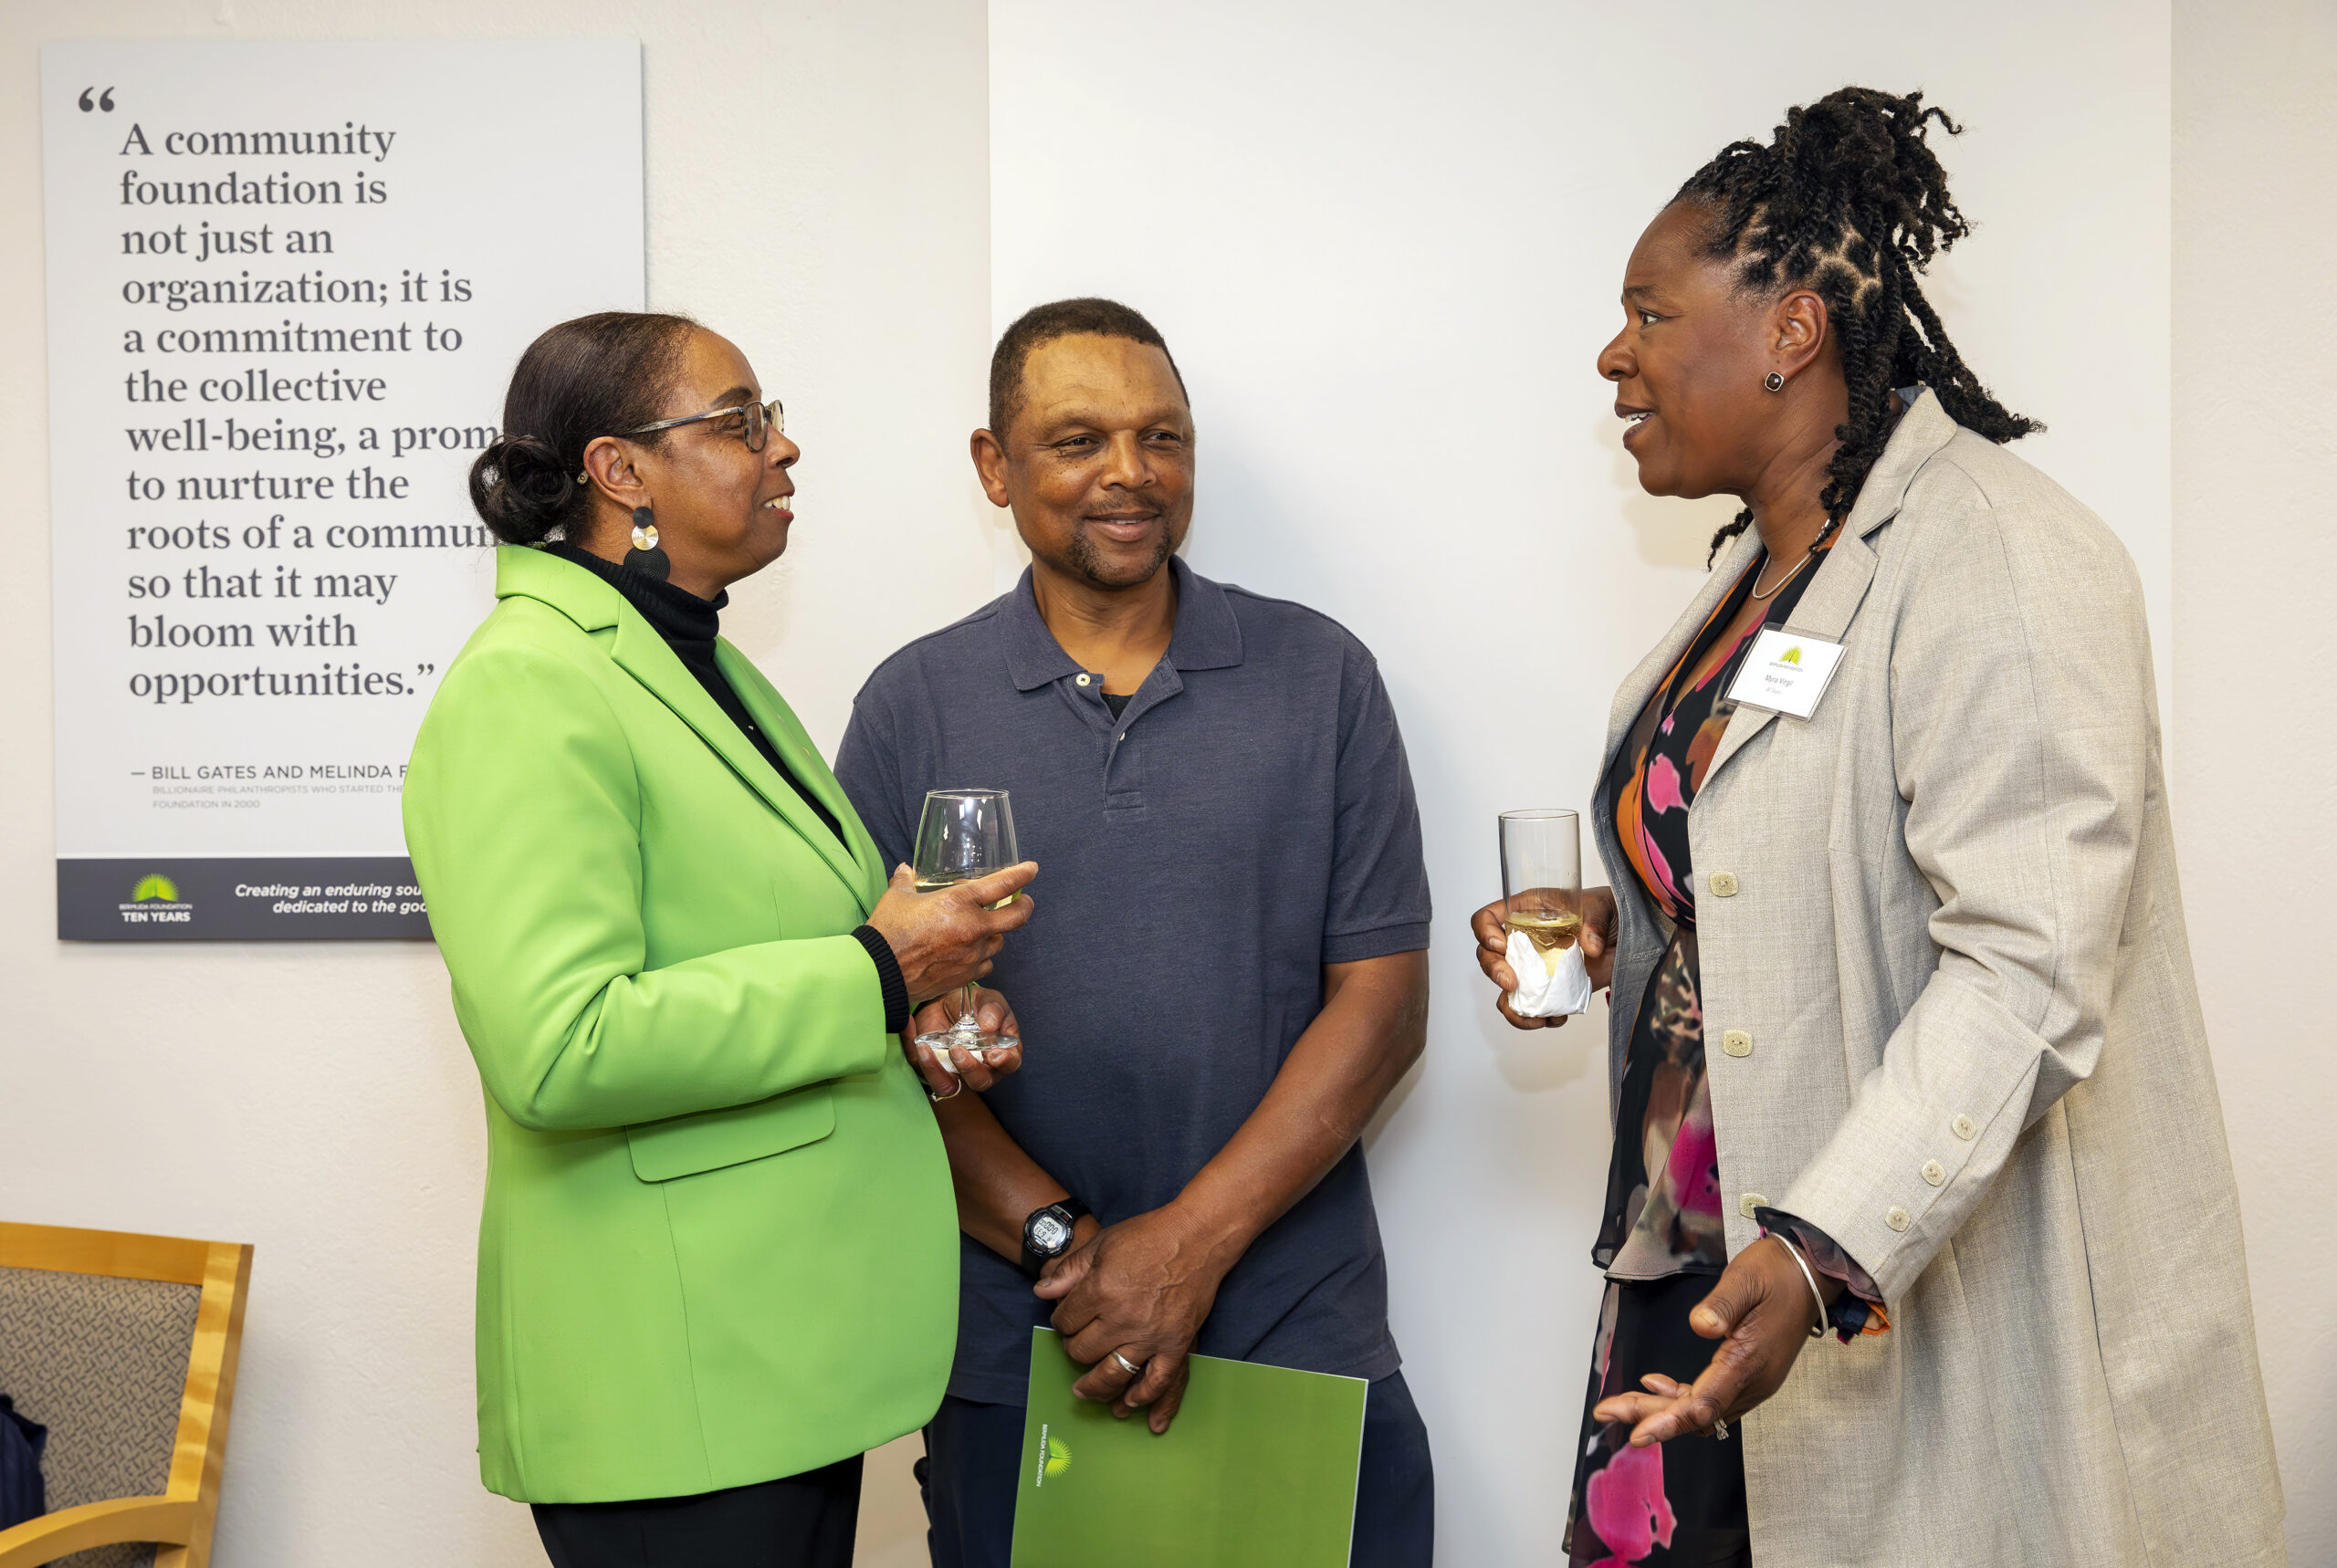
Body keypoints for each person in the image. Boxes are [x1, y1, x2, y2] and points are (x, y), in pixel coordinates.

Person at [1472, 89, 2286, 1566]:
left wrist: (1819, 1244)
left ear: (1790, 332)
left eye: (1649, 315)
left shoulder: (1999, 557)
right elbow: (1774, 853)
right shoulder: (1759, 581)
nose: (1613, 354)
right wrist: (1625, 923)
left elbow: (2026, 967)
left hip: (1866, 1274)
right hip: (1698, 1267)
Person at [403, 311, 1038, 1568]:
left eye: (771, 416)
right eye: (741, 422)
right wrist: (875, 973)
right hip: (670, 1390)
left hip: (776, 1366)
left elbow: (763, 953)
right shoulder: (529, 682)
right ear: (620, 471)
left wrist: (913, 1019)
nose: (782, 447)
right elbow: (560, 1046)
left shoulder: (702, 665)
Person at [834, 298, 1437, 1568]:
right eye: (1078, 440)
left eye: (1162, 436)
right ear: (994, 465)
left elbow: (1382, 1006)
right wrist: (1074, 1249)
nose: (1131, 472)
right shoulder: (912, 704)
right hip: (1023, 1344)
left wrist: (1188, 1248)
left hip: (1296, 1333)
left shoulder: (1321, 676)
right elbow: (870, 1030)